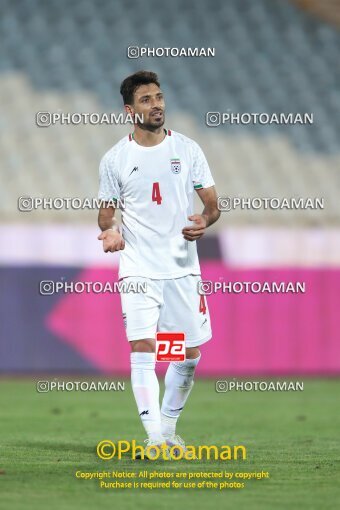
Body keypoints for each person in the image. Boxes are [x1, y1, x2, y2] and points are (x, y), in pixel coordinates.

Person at [98, 70, 220, 458]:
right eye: (147, 99)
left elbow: (212, 205)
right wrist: (111, 231)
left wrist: (206, 219)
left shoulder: (187, 149)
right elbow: (105, 215)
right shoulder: (115, 159)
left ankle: (168, 429)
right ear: (129, 110)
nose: (157, 105)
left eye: (160, 97)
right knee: (143, 347)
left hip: (182, 269)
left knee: (186, 354)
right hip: (137, 269)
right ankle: (154, 440)